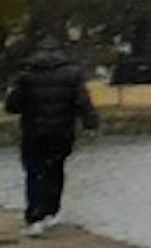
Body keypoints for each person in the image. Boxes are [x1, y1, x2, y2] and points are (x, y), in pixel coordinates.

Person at [8, 42, 98, 234]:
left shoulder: (27, 76)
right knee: (55, 170)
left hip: (34, 132)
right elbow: (83, 102)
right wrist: (91, 124)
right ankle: (51, 211)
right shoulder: (73, 75)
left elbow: (12, 105)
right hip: (62, 133)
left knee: (34, 171)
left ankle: (35, 214)